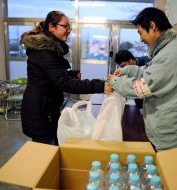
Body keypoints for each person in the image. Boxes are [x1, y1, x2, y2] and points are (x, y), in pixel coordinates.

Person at [20, 11, 111, 145]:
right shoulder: (45, 52)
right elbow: (66, 84)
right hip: (40, 111)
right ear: (51, 27)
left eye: (69, 27)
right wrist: (101, 85)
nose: (68, 30)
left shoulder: (48, 49)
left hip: (45, 107)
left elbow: (50, 76)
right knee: (46, 152)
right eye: (65, 26)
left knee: (52, 146)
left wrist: (70, 75)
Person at [107, 7, 177, 151]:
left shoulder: (169, 55)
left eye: (140, 32)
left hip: (168, 134)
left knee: (166, 169)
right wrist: (126, 70)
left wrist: (115, 82)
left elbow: (144, 86)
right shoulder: (165, 50)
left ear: (152, 26)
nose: (140, 39)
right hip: (162, 128)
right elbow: (146, 72)